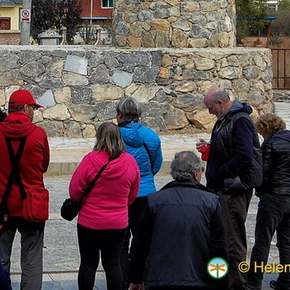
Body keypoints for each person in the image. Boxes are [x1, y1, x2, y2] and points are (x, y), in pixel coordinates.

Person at [128, 151, 227, 290]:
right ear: (196, 173)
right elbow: (219, 247)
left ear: (173, 173)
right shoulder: (211, 202)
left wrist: (136, 278)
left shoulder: (154, 201)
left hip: (160, 280)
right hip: (200, 279)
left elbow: (140, 244)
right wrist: (221, 282)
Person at [0, 89, 51, 290]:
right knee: (31, 259)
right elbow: (44, 166)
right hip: (32, 205)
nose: (33, 112)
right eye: (32, 107)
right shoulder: (38, 134)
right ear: (24, 108)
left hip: (2, 204)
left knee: (0, 258)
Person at [197, 87, 260, 290]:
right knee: (222, 237)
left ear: (220, 103)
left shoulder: (239, 120)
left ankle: (237, 284)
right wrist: (210, 147)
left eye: (210, 108)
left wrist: (219, 172)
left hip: (232, 189)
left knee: (232, 239)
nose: (209, 113)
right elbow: (229, 146)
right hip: (223, 187)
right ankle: (223, 280)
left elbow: (244, 157)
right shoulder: (226, 119)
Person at [70, 121, 140, 290]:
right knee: (113, 264)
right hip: (117, 222)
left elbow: (74, 190)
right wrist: (121, 205)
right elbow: (133, 192)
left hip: (90, 221)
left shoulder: (90, 160)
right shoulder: (130, 162)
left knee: (88, 263)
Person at [246, 113, 290, 290]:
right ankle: (287, 281)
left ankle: (254, 282)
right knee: (287, 242)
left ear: (266, 129)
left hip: (274, 196)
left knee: (263, 241)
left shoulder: (270, 145)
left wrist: (261, 191)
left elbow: (262, 173)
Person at [115, 96, 163, 289]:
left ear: (120, 115)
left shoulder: (113, 136)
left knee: (120, 242)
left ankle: (123, 280)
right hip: (146, 193)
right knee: (143, 242)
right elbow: (156, 164)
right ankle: (141, 280)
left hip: (120, 194)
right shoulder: (151, 136)